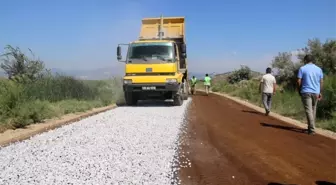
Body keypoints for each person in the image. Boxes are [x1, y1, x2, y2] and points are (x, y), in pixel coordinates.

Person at [297, 54, 323, 135]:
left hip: (306, 91)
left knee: (308, 111)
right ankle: (310, 127)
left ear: (305, 60)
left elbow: (298, 81)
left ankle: (312, 129)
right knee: (313, 110)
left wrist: (299, 90)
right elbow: (321, 81)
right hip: (316, 92)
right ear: (313, 60)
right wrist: (320, 92)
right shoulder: (319, 69)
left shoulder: (302, 68)